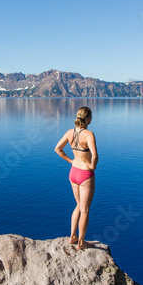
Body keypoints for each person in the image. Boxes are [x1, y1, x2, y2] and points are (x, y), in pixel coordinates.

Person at [55, 106, 98, 250]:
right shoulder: (89, 134)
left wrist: (71, 160)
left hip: (73, 172)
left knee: (78, 206)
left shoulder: (69, 132)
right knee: (85, 210)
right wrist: (93, 165)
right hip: (85, 174)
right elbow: (95, 155)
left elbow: (58, 149)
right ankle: (81, 242)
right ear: (88, 119)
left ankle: (72, 236)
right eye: (91, 117)